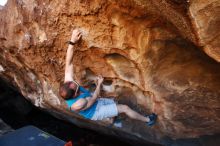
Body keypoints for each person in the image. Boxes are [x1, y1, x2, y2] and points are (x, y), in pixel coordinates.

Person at [59, 29, 157, 126]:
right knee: (124, 108)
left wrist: (72, 41)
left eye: (74, 83)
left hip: (93, 101)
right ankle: (148, 120)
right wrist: (99, 84)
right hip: (95, 111)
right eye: (76, 86)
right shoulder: (78, 104)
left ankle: (112, 118)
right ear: (75, 94)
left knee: (114, 102)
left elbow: (69, 62)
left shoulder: (69, 84)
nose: (76, 83)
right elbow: (94, 98)